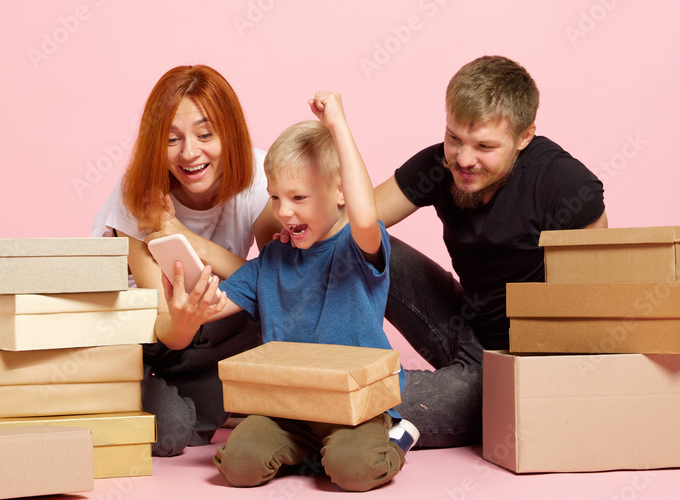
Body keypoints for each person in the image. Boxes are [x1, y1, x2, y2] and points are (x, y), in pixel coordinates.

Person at [179, 91, 418, 492]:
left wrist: (338, 125)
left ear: (339, 192)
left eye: (299, 198)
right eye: (275, 197)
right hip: (286, 408)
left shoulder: (356, 250)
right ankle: (314, 453)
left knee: (354, 469)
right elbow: (216, 305)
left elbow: (363, 214)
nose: (284, 211)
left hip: (353, 409)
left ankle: (397, 436)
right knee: (237, 465)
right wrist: (188, 307)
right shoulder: (273, 259)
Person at [373, 55, 608, 448]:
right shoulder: (439, 165)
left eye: (484, 146)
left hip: (517, 365)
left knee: (368, 402)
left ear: (524, 137)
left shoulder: (565, 186)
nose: (464, 160)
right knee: (365, 245)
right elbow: (353, 223)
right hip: (464, 323)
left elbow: (597, 305)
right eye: (454, 138)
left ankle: (322, 403)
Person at [90, 65, 281, 456]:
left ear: (229, 132)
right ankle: (141, 397)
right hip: (144, 339)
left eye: (205, 134)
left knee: (276, 315)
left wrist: (189, 239)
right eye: (171, 139)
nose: (189, 153)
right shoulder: (139, 192)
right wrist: (184, 321)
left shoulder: (260, 179)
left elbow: (279, 287)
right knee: (171, 433)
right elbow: (162, 327)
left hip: (210, 335)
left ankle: (209, 402)